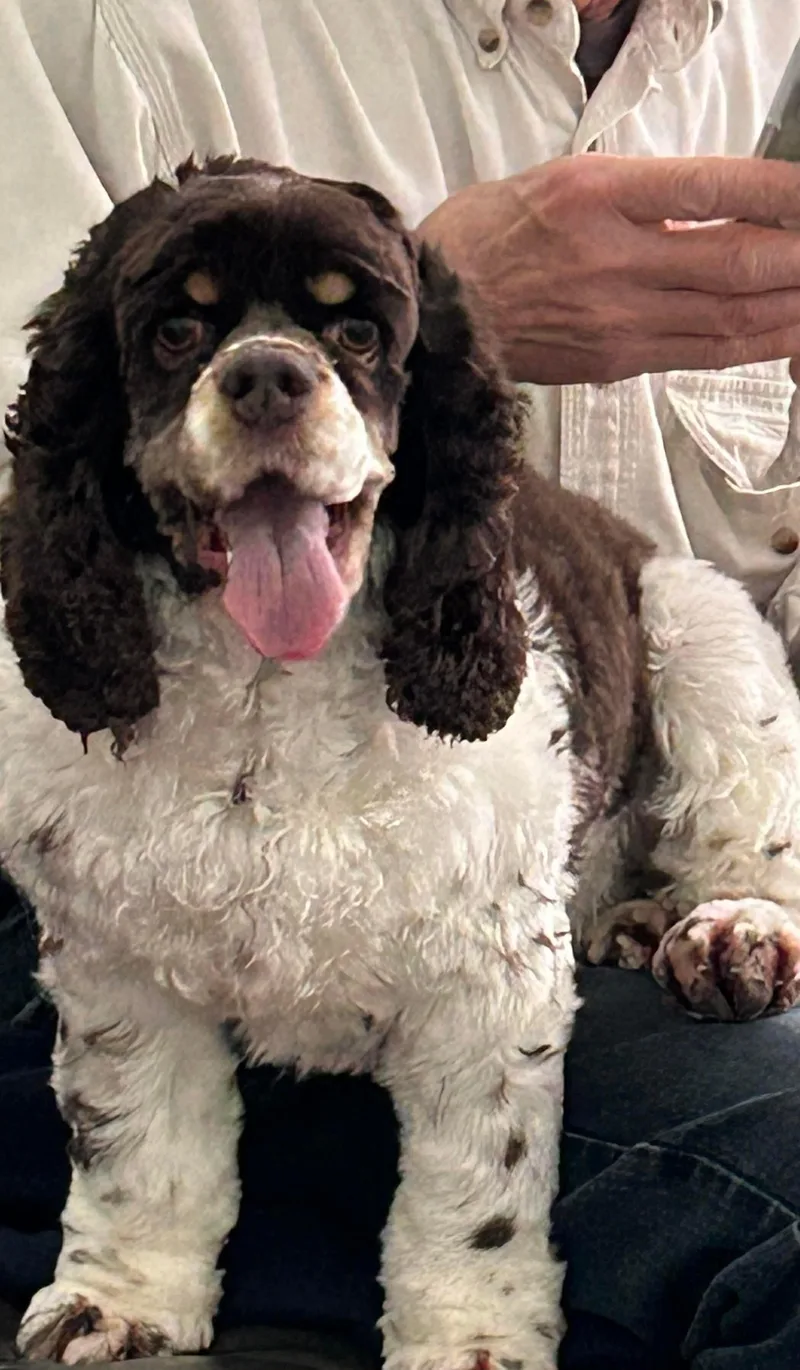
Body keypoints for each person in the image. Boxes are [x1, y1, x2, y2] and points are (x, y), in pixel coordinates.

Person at [3, 2, 800, 1367]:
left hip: (537, 879)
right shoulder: (96, 26)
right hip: (141, 876)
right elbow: (46, 472)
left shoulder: (760, 39)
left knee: (697, 622)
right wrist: (437, 291)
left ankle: (752, 882)